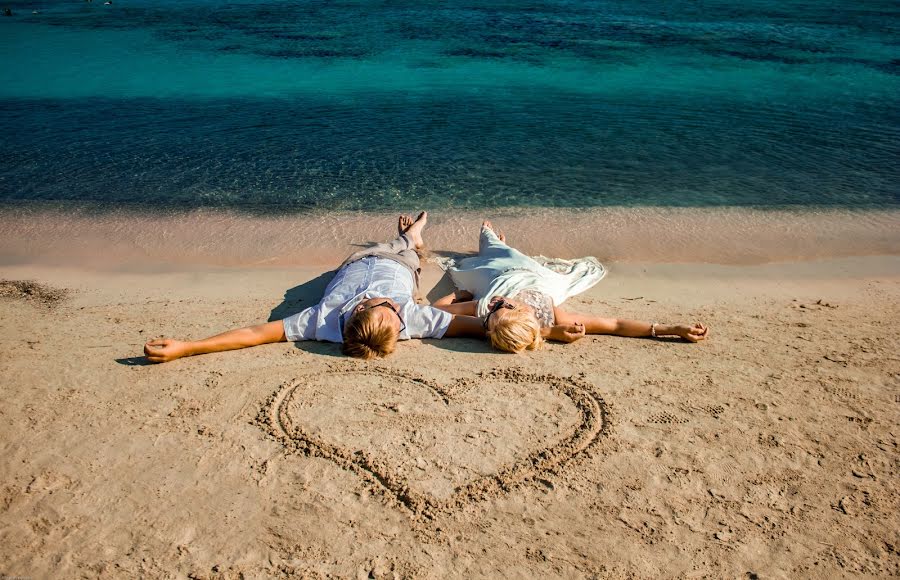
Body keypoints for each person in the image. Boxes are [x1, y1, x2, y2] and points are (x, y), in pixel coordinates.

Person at [143, 212, 485, 363]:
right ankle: (413, 236)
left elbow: (253, 334)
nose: (400, 309)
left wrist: (187, 347)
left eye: (391, 309)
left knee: (393, 242)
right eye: (396, 313)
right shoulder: (412, 320)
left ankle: (407, 234)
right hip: (403, 267)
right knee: (411, 250)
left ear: (359, 309)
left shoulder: (321, 321)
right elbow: (481, 328)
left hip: (357, 261)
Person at [432, 221, 708, 353]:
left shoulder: (486, 309)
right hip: (537, 276)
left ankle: (497, 245)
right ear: (526, 311)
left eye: (493, 311)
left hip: (495, 275)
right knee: (502, 248)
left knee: (486, 243)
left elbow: (437, 309)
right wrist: (671, 329)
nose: (495, 304)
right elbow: (613, 325)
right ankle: (502, 245)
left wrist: (462, 293)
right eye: (503, 306)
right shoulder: (553, 317)